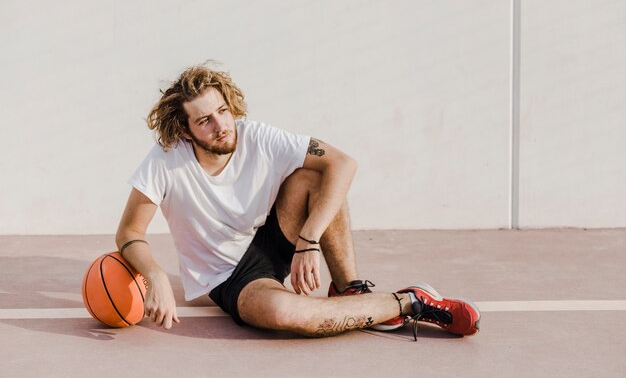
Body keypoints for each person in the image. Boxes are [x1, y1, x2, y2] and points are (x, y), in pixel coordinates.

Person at [115, 63, 480, 339]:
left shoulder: (257, 136)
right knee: (285, 315)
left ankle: (347, 288)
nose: (221, 125)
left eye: (223, 111)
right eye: (205, 120)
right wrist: (155, 274)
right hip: (229, 276)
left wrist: (308, 241)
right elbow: (130, 231)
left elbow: (343, 163)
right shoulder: (166, 161)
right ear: (184, 130)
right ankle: (409, 302)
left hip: (273, 236)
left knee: (317, 174)